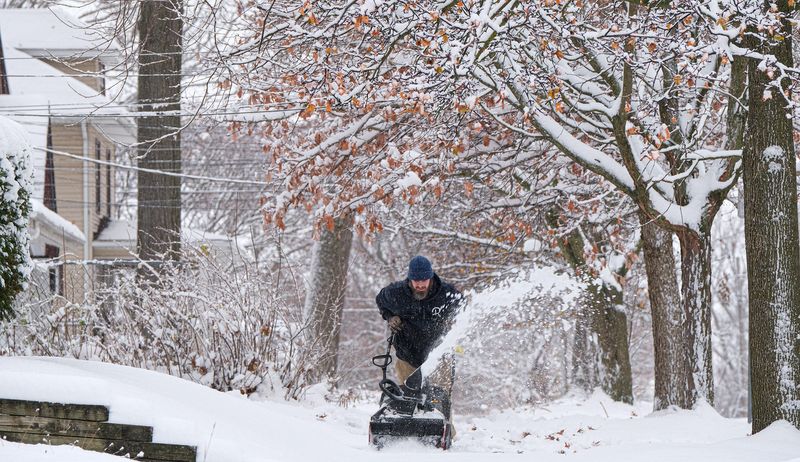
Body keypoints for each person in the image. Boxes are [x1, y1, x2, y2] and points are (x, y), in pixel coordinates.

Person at [376, 255, 462, 388]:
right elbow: (380, 301)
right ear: (410, 279)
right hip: (407, 357)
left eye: (424, 281)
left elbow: (463, 307)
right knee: (409, 401)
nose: (420, 285)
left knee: (436, 401)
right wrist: (390, 317)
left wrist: (453, 321)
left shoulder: (446, 293)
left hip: (439, 357)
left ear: (431, 278)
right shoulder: (396, 293)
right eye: (416, 281)